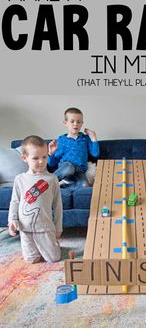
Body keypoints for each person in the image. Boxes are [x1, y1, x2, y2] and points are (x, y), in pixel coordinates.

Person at [8, 135, 63, 263]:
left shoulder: (52, 179)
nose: (41, 161)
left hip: (45, 226)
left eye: (44, 157)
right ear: (24, 158)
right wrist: (12, 220)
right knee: (31, 260)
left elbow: (58, 205)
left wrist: (58, 227)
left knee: (54, 258)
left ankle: (52, 244)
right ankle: (36, 249)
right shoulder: (19, 179)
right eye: (35, 158)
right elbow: (15, 202)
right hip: (25, 228)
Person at [48, 107, 100, 187]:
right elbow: (52, 164)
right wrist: (51, 154)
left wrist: (93, 138)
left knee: (84, 186)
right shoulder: (61, 140)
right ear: (65, 123)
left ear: (82, 123)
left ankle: (65, 182)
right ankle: (47, 182)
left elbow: (95, 154)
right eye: (72, 121)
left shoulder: (85, 138)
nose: (75, 124)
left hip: (80, 171)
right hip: (66, 167)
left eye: (78, 122)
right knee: (69, 167)